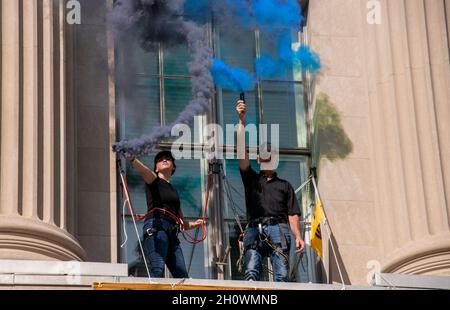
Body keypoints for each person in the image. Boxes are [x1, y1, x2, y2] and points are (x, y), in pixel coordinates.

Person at [236, 100, 305, 282]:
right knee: (251, 272)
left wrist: (298, 235)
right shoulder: (250, 179)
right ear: (258, 159)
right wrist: (241, 122)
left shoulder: (285, 185)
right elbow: (241, 153)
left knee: (281, 275)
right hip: (254, 227)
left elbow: (293, 214)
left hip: (279, 228)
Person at [127, 150, 204, 278]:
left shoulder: (174, 192)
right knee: (157, 268)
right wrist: (132, 159)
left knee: (182, 275)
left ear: (173, 167)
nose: (164, 160)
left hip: (172, 233)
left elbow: (182, 223)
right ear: (156, 168)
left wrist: (195, 224)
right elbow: (144, 171)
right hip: (157, 227)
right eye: (160, 159)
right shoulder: (153, 180)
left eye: (168, 159)